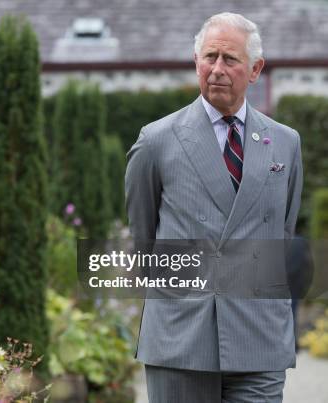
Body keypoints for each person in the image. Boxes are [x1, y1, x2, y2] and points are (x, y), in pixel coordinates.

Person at [124, 12, 303, 403]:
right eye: (210, 57)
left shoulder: (286, 143)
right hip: (182, 338)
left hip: (260, 336)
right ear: (196, 62)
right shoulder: (155, 141)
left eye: (230, 59)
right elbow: (144, 241)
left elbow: (282, 235)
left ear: (255, 70)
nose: (217, 69)